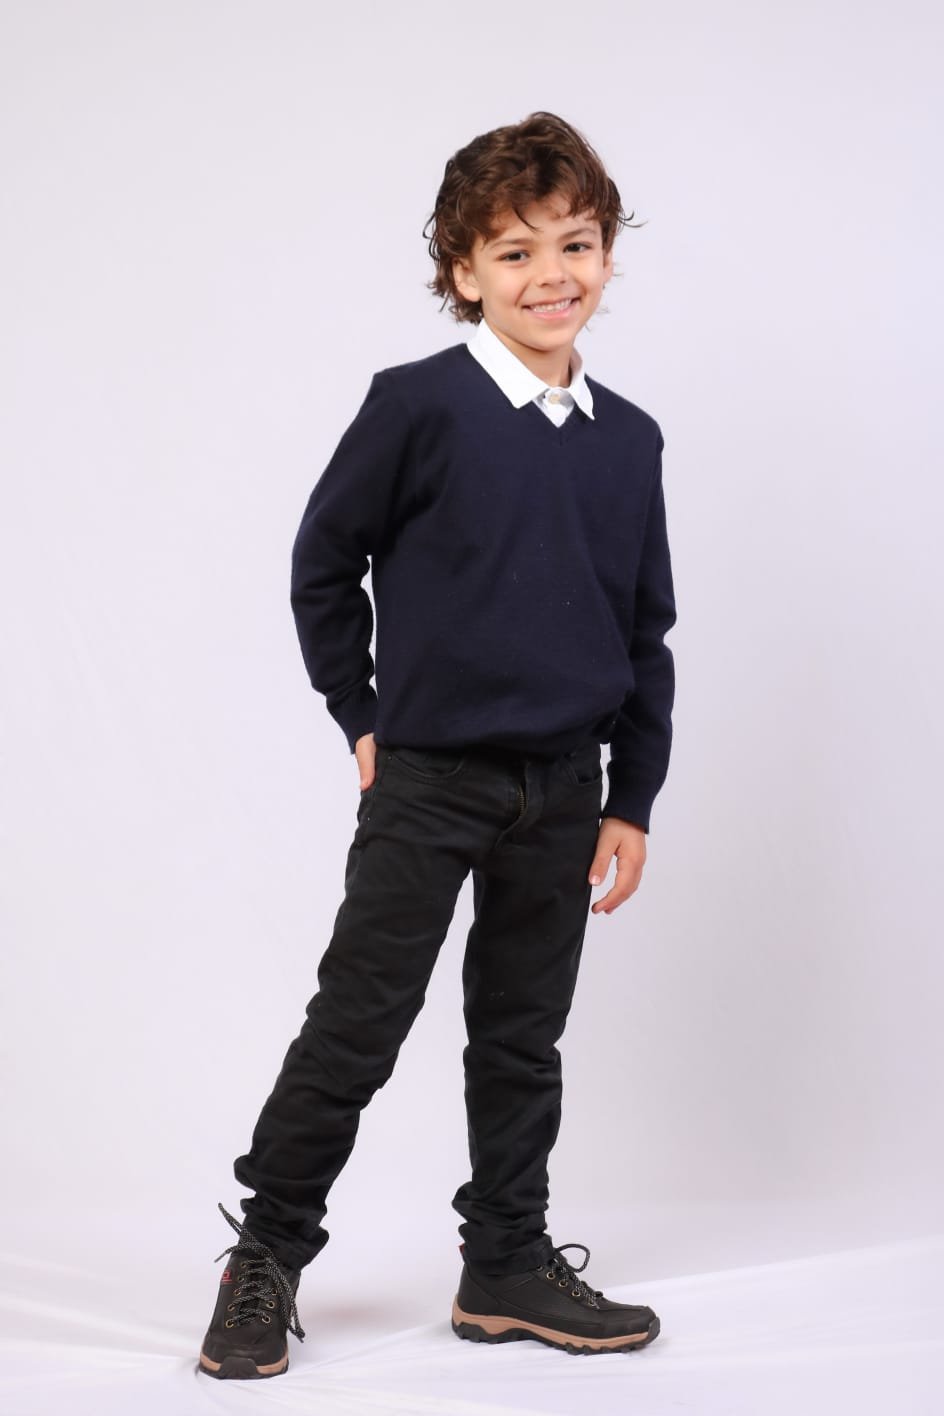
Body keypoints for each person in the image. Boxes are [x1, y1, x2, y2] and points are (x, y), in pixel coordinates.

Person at [198, 109, 677, 1380]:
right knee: (356, 1025)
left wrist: (630, 797)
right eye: (514, 252)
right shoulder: (416, 407)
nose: (550, 275)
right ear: (463, 271)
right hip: (429, 781)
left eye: (574, 244)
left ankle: (504, 1263)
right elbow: (322, 565)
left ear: (607, 255)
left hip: (563, 789)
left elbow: (644, 631)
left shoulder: (629, 439)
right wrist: (359, 717)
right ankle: (266, 1255)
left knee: (521, 1037)